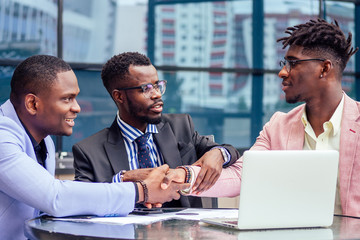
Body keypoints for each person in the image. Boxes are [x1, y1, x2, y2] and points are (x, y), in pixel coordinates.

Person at [166, 18, 360, 217]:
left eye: (293, 63)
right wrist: (181, 176)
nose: (282, 72)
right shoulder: (278, 126)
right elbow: (242, 175)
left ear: (324, 69)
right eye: (285, 63)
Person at [0, 55, 188, 240]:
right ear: (32, 104)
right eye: (67, 98)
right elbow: (55, 197)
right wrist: (142, 191)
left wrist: (123, 179)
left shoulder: (43, 140)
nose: (77, 108)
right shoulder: (2, 137)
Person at [72, 52, 240, 207]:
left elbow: (230, 151)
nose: (157, 94)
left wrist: (218, 153)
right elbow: (80, 199)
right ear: (119, 96)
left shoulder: (181, 127)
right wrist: (121, 179)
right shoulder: (89, 151)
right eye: (146, 88)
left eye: (157, 85)